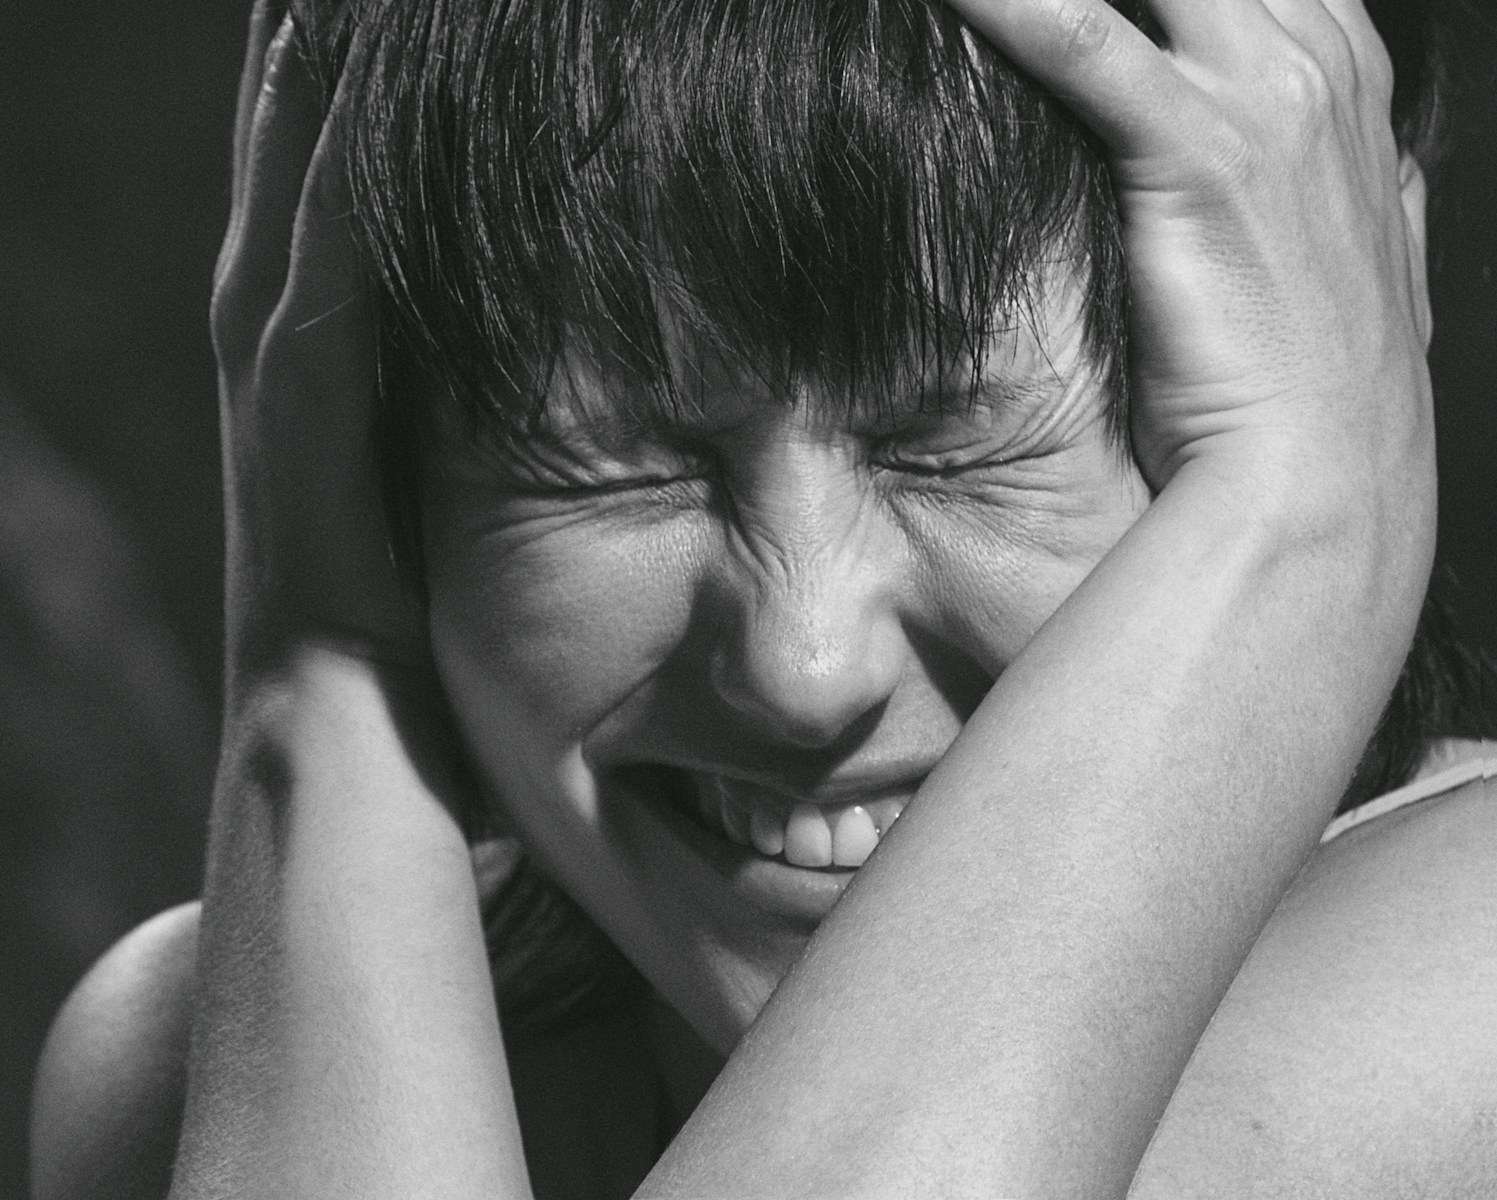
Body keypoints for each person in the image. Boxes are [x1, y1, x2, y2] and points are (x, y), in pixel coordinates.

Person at [30, 0, 1494, 1196]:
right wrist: (323, 661)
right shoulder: (179, 1059)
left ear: (1327, 338)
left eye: (962, 448)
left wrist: (1306, 516)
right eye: (609, 468)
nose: (799, 672)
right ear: (365, 453)